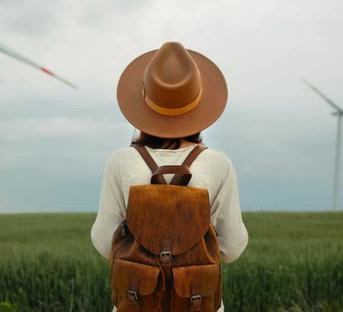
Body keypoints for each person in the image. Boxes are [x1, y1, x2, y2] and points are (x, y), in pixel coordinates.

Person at [91, 42, 248, 311]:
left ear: (144, 103)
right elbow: (232, 248)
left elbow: (106, 243)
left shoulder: (120, 162)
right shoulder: (219, 165)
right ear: (199, 105)